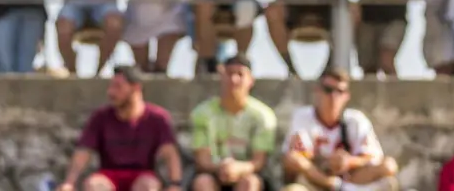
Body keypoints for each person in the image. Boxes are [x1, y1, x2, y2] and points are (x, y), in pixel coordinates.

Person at [60, 65, 182, 191]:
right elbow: (84, 151)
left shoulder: (157, 118)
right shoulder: (101, 117)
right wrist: (69, 182)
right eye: (111, 87)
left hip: (143, 174)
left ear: (136, 88)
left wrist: (175, 184)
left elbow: (170, 152)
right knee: (94, 185)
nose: (111, 92)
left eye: (118, 87)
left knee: (149, 186)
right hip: (109, 174)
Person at [281, 68, 399, 191]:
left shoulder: (356, 120)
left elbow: (375, 158)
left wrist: (348, 161)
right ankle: (337, 186)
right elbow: (294, 159)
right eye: (328, 90)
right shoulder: (303, 117)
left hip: (352, 180)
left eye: (340, 91)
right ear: (317, 91)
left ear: (347, 96)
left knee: (389, 170)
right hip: (316, 182)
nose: (333, 96)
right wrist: (328, 162)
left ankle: (345, 187)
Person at [189, 54, 277, 191]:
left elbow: (258, 161)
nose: (234, 79)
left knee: (250, 183)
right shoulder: (202, 113)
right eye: (229, 73)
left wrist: (238, 168)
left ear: (251, 80)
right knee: (202, 182)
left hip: (246, 174)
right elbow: (202, 160)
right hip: (213, 174)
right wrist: (222, 167)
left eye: (240, 74)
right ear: (221, 77)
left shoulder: (263, 116)